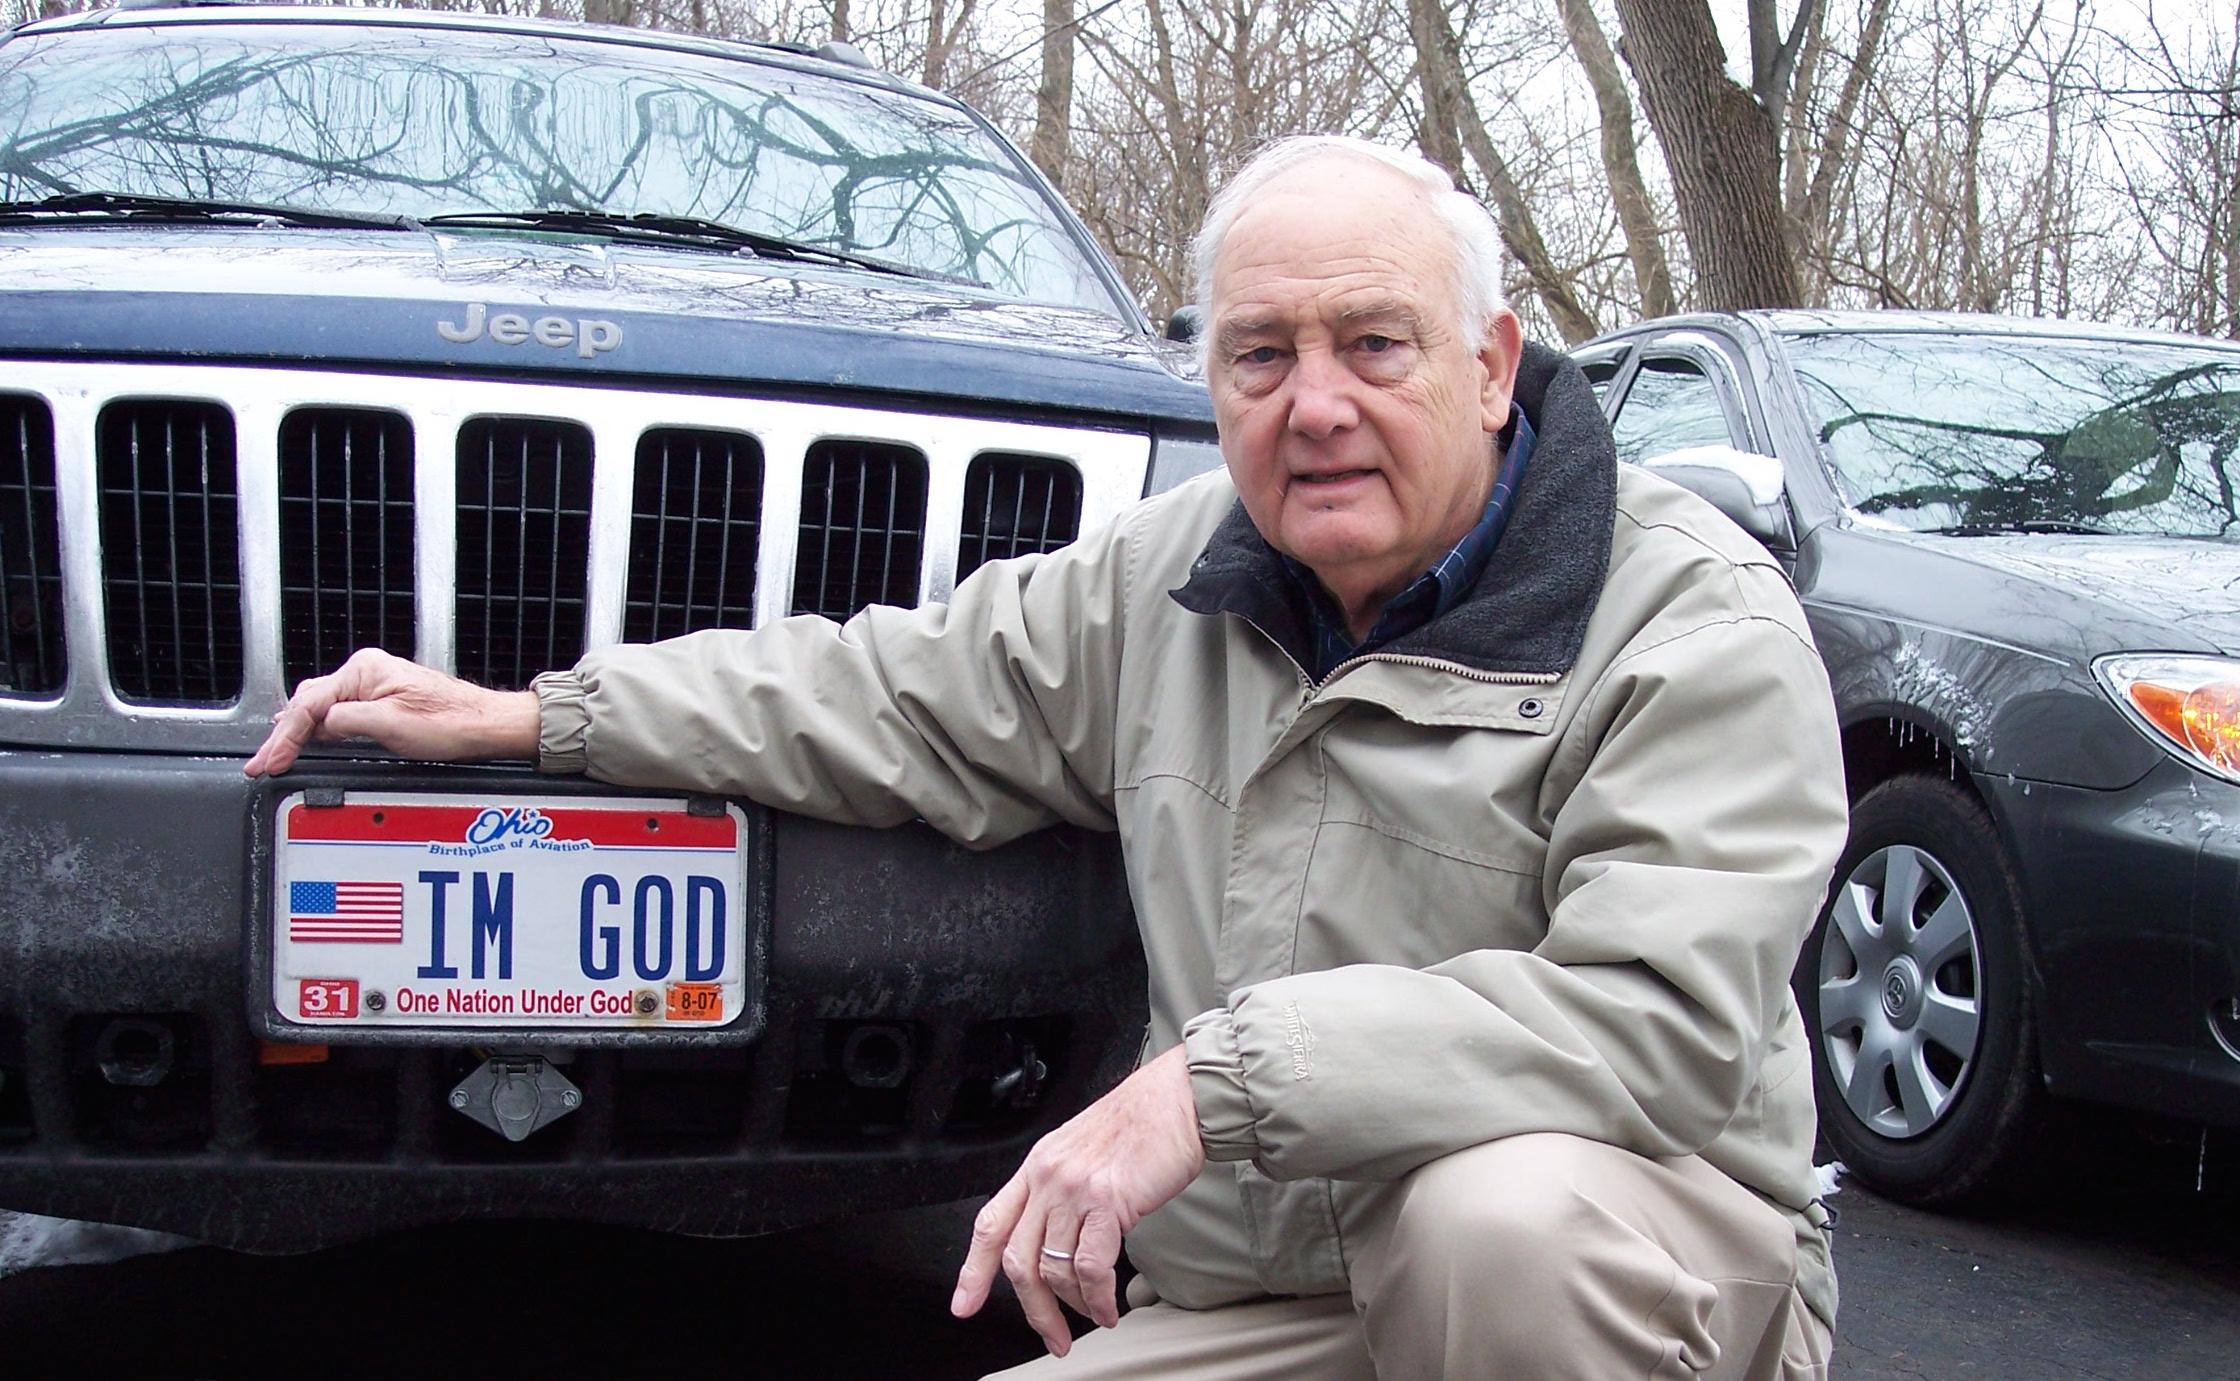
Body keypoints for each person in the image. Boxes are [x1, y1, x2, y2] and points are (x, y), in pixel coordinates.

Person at [247, 135, 1849, 1379]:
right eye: (1260, 356)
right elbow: (893, 690)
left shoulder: (1687, 620)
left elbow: (1659, 1022)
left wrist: (1204, 1094)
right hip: (1297, 1305)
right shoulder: (1171, 583)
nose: (1316, 408)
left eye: (1376, 345)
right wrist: (546, 717)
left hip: (1623, 1291)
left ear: (1494, 364)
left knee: (1495, 1226)